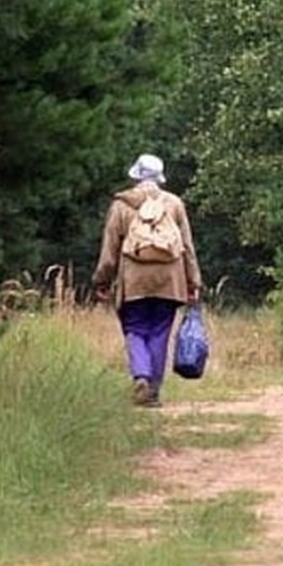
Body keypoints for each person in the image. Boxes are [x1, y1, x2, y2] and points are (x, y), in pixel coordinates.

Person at [93, 154, 202, 407]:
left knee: (135, 328)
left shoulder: (121, 205)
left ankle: (141, 375)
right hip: (170, 281)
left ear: (136, 176)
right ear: (160, 178)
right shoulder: (174, 204)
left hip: (133, 282)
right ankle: (152, 389)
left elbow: (110, 249)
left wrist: (102, 280)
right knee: (160, 331)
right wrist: (193, 281)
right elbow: (187, 246)